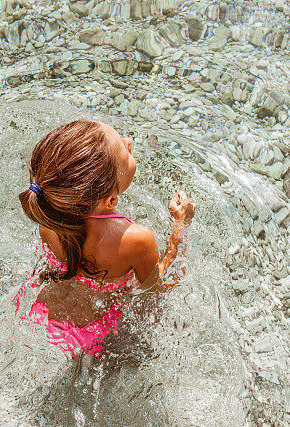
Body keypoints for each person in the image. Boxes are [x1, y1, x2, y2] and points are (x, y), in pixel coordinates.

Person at [13, 119, 195, 360]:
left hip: (40, 312)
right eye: (124, 150)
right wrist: (179, 227)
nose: (129, 141)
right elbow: (154, 289)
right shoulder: (136, 240)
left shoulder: (49, 217)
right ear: (110, 201)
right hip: (97, 332)